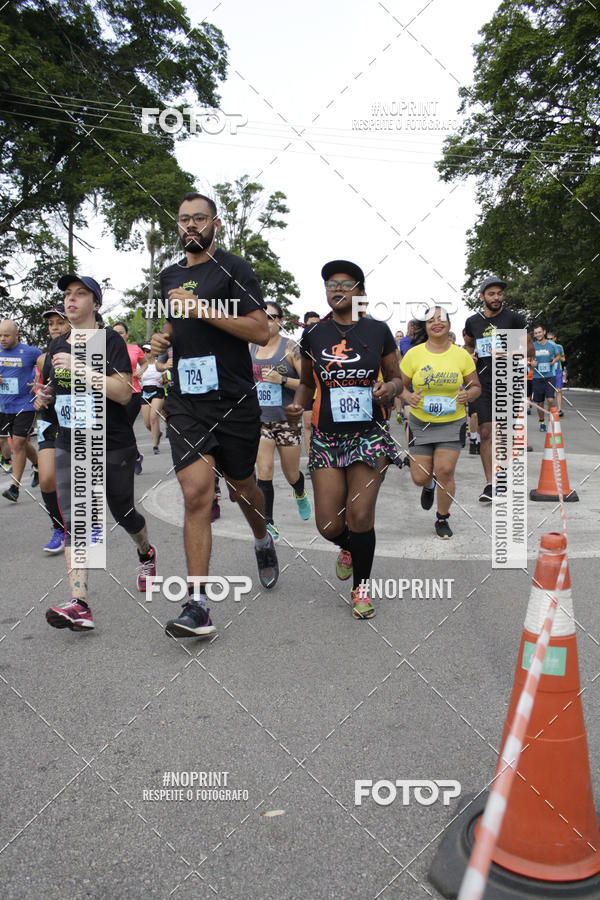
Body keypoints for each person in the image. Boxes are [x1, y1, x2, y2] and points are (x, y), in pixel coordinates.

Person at [151, 191, 279, 639]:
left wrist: (204, 309)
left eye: (199, 218)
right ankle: (198, 605)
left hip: (235, 400)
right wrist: (162, 340)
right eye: (184, 219)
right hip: (187, 401)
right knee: (197, 494)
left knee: (243, 488)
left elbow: (261, 330)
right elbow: (172, 324)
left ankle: (262, 537)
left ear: (215, 224)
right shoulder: (168, 275)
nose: (191, 225)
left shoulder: (234, 269)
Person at [286, 260, 404, 620]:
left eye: (345, 283)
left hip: (369, 434)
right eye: (330, 284)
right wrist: (297, 406)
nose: (337, 289)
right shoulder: (315, 334)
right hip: (326, 437)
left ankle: (361, 589)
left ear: (360, 292)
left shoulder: (377, 331)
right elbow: (306, 383)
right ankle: (349, 547)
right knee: (329, 525)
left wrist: (388, 390)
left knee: (360, 515)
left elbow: (398, 378)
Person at [38, 274, 157, 631]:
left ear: (96, 303)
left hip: (113, 441)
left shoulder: (110, 342)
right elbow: (55, 400)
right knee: (80, 520)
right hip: (70, 441)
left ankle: (146, 553)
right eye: (67, 295)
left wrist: (80, 369)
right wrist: (44, 399)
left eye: (80, 294)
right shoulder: (55, 348)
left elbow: (123, 393)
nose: (71, 300)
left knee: (123, 512)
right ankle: (80, 603)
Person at [400, 307, 481, 538]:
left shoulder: (461, 355)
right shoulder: (414, 355)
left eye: (441, 319)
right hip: (421, 423)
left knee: (445, 470)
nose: (436, 323)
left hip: (451, 422)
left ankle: (442, 518)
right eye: (430, 320)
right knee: (419, 477)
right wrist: (408, 396)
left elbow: (476, 387)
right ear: (426, 327)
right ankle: (428, 485)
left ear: (448, 324)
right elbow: (400, 385)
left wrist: (469, 395)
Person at [463, 276, 534, 503]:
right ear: (482, 296)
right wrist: (470, 355)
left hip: (508, 380)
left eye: (499, 294)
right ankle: (490, 484)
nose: (497, 297)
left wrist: (507, 351)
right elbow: (468, 344)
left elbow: (529, 349)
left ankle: (502, 476)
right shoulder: (473, 321)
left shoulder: (513, 318)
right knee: (485, 431)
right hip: (482, 384)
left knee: (504, 434)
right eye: (492, 294)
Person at [251, 301, 311, 541]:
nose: (267, 321)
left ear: (281, 320)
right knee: (263, 471)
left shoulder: (291, 348)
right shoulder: (250, 347)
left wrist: (282, 380)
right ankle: (269, 523)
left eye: (272, 317)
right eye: (263, 317)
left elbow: (309, 383)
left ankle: (299, 490)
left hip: (287, 420)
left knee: (291, 473)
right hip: (261, 420)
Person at [36, 303, 71, 553]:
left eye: (60, 322)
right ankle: (59, 528)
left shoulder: (83, 350)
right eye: (51, 324)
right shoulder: (44, 358)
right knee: (47, 479)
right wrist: (41, 396)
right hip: (50, 418)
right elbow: (45, 387)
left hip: (76, 418)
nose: (55, 328)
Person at [0, 319, 40, 501]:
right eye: (0, 335)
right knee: (21, 443)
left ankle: (14, 487)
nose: (2, 339)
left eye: (6, 335)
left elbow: (46, 364)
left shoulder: (30, 352)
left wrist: (39, 381)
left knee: (17, 443)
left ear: (17, 335)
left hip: (25, 405)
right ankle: (39, 465)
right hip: (5, 405)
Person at [112, 321, 147, 474]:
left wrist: (142, 371)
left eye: (120, 332)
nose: (118, 335)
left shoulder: (134, 349)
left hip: (134, 391)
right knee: (121, 428)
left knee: (126, 426)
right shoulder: (108, 350)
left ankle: (129, 458)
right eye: (115, 333)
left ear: (126, 334)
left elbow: (144, 363)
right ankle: (136, 456)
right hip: (115, 394)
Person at [532, 325, 562, 431]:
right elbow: (527, 360)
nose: (538, 335)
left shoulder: (552, 345)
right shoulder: (532, 346)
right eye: (536, 333)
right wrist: (531, 363)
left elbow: (558, 355)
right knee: (539, 403)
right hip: (537, 377)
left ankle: (550, 420)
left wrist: (554, 361)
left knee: (550, 399)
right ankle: (542, 422)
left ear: (544, 332)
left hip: (550, 376)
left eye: (539, 332)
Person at [302, 311, 320, 461]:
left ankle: (322, 455)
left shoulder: (325, 342)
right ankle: (310, 458)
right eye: (311, 323)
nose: (314, 327)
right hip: (309, 390)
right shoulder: (301, 344)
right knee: (308, 425)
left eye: (317, 323)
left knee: (320, 425)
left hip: (322, 390)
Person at [140, 344, 165, 452]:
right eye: (144, 351)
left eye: (148, 351)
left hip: (157, 391)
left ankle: (155, 446)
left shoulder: (158, 364)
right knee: (147, 423)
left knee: (154, 417)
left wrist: (163, 381)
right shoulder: (140, 365)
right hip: (145, 391)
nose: (146, 353)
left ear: (153, 352)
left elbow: (166, 380)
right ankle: (158, 433)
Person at [547, 331, 566, 416]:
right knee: (550, 391)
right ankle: (552, 409)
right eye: (548, 339)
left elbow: (563, 359)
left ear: (555, 338)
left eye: (551, 339)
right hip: (549, 371)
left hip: (558, 370)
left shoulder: (559, 347)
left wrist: (557, 357)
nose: (550, 340)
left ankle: (560, 409)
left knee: (559, 390)